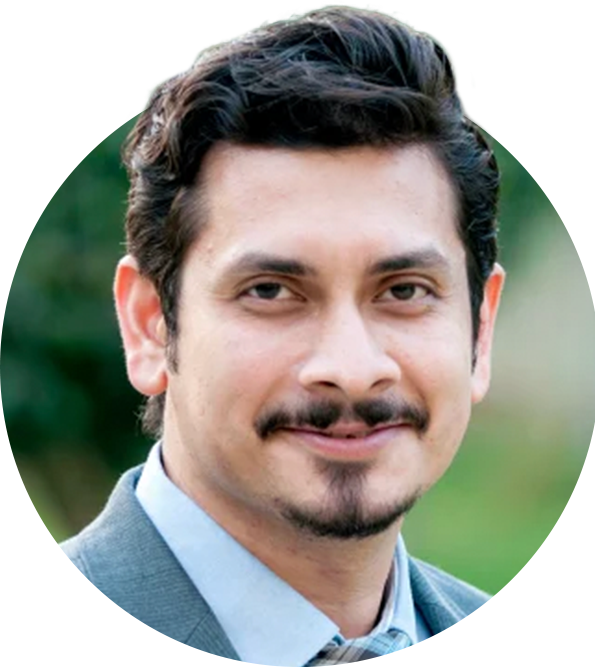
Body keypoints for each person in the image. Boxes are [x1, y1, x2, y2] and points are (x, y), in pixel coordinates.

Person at [0, 6, 565, 667]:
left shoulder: (516, 650)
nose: (351, 369)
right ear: (150, 325)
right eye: (270, 291)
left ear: (480, 326)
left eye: (404, 291)